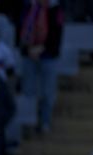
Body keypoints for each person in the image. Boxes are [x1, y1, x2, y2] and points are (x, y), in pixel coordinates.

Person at [17, 0, 63, 134]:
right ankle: (28, 122)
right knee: (28, 91)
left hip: (49, 56)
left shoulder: (55, 8)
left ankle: (45, 122)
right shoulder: (27, 6)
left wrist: (43, 48)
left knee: (48, 92)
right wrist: (28, 49)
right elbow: (21, 28)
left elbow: (58, 31)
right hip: (28, 55)